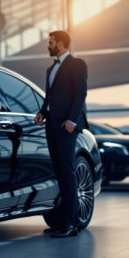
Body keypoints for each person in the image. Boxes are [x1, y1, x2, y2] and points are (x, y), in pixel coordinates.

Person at [33, 30, 87, 238]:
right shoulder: (51, 69)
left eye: (51, 42)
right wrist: (42, 112)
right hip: (52, 125)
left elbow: (80, 92)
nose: (48, 45)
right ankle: (63, 221)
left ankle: (70, 224)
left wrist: (72, 120)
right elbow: (51, 97)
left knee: (67, 172)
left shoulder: (77, 64)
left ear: (61, 43)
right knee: (59, 173)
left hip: (66, 126)